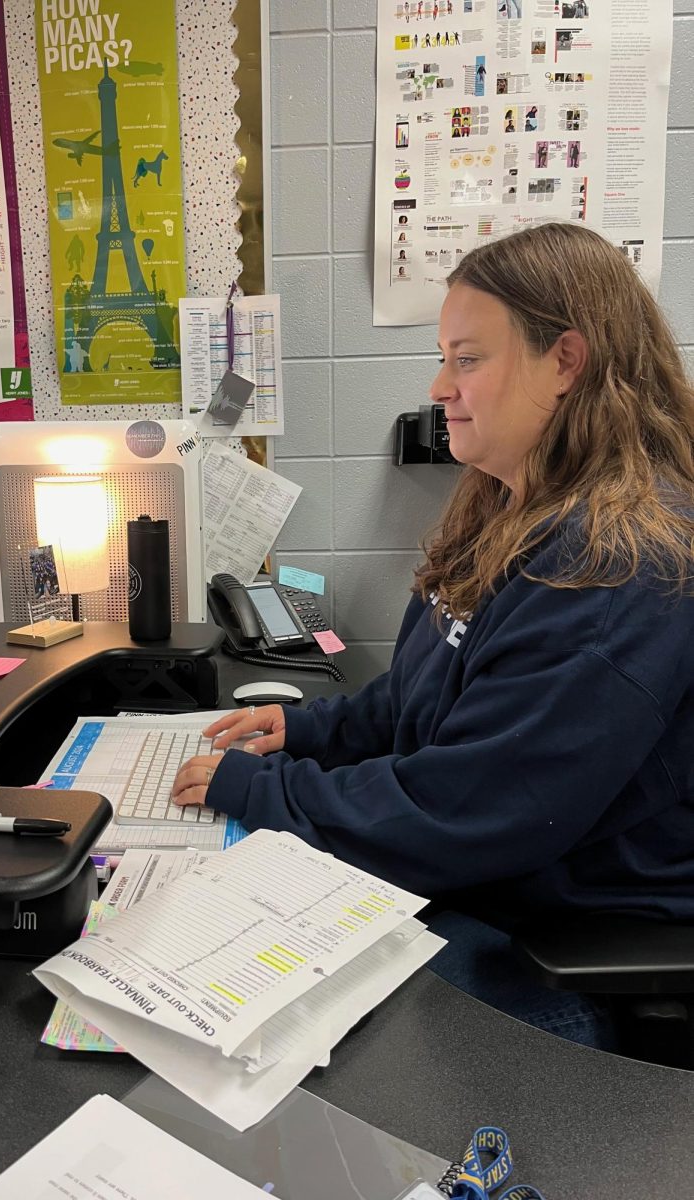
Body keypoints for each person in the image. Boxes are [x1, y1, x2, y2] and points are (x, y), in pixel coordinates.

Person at [172, 222, 694, 1050]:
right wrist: (307, 729)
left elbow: (464, 809)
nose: (440, 385)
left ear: (566, 362)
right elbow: (432, 696)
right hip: (491, 878)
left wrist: (262, 793)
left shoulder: (619, 565)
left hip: (556, 937)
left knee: (275, 1040)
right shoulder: (512, 505)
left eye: (467, 359)